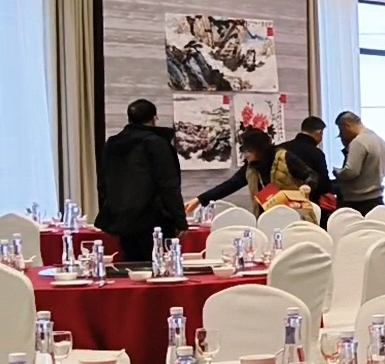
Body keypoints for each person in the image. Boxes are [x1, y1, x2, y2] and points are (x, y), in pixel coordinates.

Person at [95, 99, 187, 263]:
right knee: (158, 264)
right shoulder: (156, 143)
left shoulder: (113, 143)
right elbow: (169, 185)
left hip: (122, 218)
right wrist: (180, 220)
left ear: (129, 118)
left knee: (131, 265)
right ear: (153, 118)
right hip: (153, 218)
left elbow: (103, 182)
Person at [186, 127, 322, 223]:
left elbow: (311, 175)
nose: (245, 155)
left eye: (248, 151)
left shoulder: (284, 157)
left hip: (295, 216)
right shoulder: (250, 168)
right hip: (267, 220)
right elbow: (229, 185)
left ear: (258, 149)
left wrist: (307, 186)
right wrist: (200, 199)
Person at [333, 111, 385, 216]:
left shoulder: (358, 142)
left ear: (346, 126)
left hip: (357, 202)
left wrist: (338, 173)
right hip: (376, 199)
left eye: (341, 131)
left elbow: (351, 172)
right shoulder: (378, 140)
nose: (342, 136)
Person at [281, 116, 333, 207]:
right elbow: (324, 185)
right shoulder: (316, 153)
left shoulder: (281, 148)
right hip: (309, 203)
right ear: (319, 132)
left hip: (282, 201)